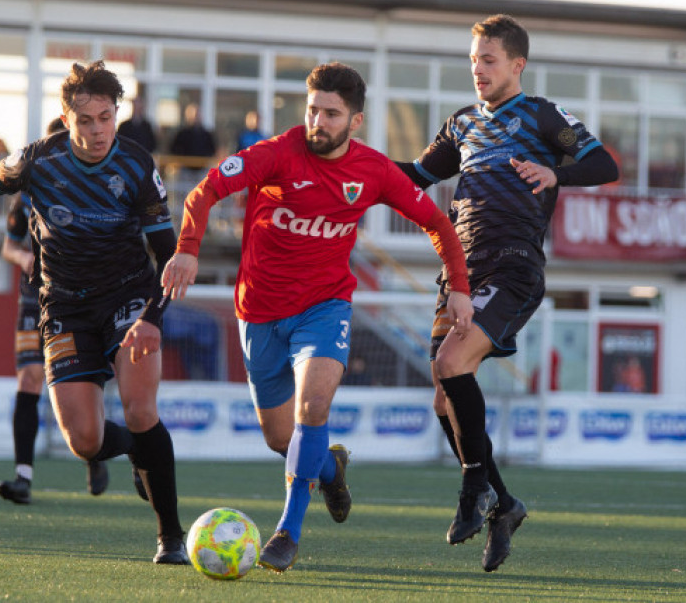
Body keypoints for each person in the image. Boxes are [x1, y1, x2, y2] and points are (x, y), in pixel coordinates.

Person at [161, 62, 473, 573]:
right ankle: (331, 467)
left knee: (313, 405)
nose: (318, 122)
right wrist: (188, 249)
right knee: (282, 440)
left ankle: (288, 532)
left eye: (331, 113)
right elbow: (206, 190)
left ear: (355, 121)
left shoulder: (373, 170)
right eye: (312, 110)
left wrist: (459, 287)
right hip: (258, 311)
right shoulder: (276, 153)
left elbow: (438, 222)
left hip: (325, 308)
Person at [0, 60, 189, 565]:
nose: (98, 131)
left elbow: (169, 256)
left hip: (127, 298)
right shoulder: (37, 161)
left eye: (106, 117)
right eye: (86, 120)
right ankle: (138, 453)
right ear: (66, 119)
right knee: (85, 442)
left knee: (142, 410)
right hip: (65, 307)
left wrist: (152, 318)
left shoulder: (137, 164)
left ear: (117, 113)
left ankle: (171, 538)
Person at [396, 14, 619, 573]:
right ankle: (504, 506)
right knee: (444, 399)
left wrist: (554, 173)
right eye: (473, 59)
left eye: (488, 59)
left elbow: (604, 163)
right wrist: (348, 161)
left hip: (514, 265)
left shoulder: (542, 115)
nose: (478, 69)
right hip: (459, 273)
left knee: (451, 362)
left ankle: (474, 492)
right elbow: (413, 178)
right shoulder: (461, 123)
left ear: (516, 64)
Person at [0, 116, 121, 505]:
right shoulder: (29, 191)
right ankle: (23, 477)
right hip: (35, 297)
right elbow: (8, 245)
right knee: (30, 378)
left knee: (83, 388)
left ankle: (94, 451)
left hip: (79, 298)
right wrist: (24, 257)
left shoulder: (96, 187)